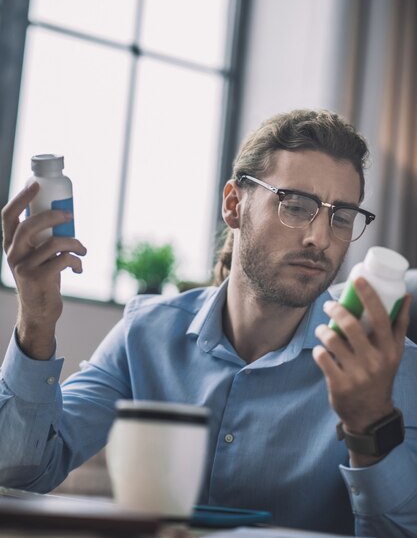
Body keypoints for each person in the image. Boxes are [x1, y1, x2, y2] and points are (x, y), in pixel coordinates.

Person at [0, 109, 416, 537]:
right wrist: (36, 319)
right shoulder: (145, 336)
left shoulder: (388, 365)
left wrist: (369, 425)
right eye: (295, 205)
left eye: (341, 216)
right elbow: (21, 473)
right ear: (234, 205)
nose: (320, 238)